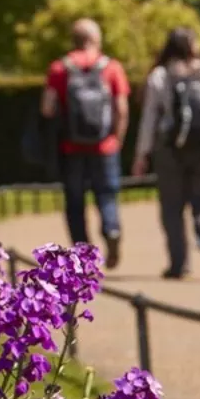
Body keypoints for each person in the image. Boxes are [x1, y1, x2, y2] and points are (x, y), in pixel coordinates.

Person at [133, 28, 200, 279]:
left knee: (172, 209)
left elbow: (149, 118)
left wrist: (142, 154)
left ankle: (179, 264)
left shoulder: (160, 76)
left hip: (170, 150)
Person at [42, 18, 130, 267]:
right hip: (105, 146)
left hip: (71, 147)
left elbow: (47, 108)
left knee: (75, 201)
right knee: (107, 195)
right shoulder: (111, 67)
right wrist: (117, 138)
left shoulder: (60, 68)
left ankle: (82, 256)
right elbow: (121, 109)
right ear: (95, 39)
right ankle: (112, 230)